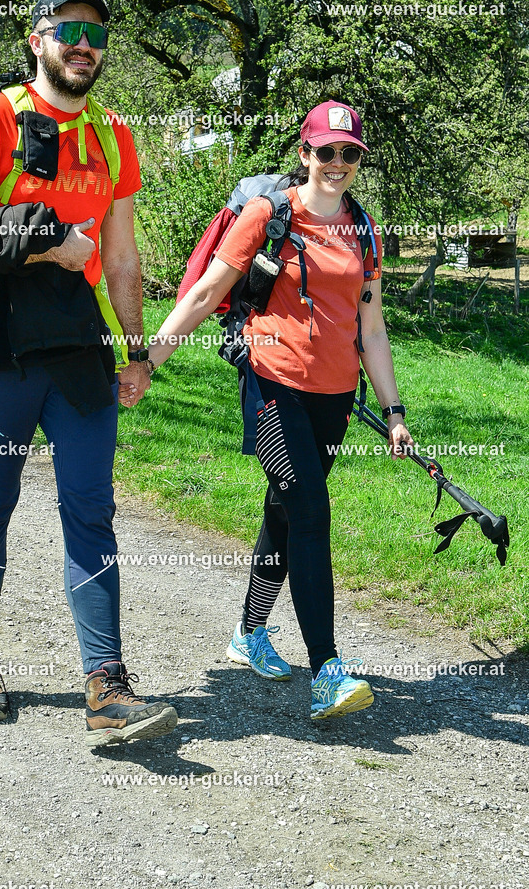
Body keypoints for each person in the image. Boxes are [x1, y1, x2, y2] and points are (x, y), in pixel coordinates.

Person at [0, 0, 177, 746]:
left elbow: (124, 257)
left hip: (78, 349)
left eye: (98, 37)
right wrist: (48, 241)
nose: (84, 45)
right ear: (37, 39)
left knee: (91, 511)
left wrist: (137, 351)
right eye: (70, 30)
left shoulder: (113, 136)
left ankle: (106, 684)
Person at [145, 101, 414, 720]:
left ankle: (248, 632)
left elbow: (370, 327)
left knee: (286, 511)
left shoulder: (364, 229)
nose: (338, 164)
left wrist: (393, 409)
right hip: (273, 384)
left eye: (350, 153)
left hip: (335, 397)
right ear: (305, 153)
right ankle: (328, 670)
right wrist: (148, 360)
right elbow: (209, 291)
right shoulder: (270, 216)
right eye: (327, 151)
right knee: (311, 510)